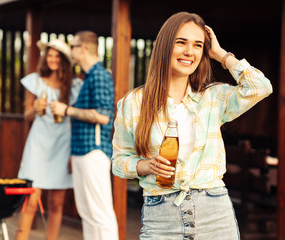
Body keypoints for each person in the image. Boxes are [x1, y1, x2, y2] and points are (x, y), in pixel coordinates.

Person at [112, 12, 273, 240]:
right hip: (161, 217)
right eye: (181, 42)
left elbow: (261, 87)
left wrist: (220, 54)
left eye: (198, 45)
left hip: (215, 214)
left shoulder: (213, 98)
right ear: (165, 46)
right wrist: (147, 166)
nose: (190, 51)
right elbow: (118, 162)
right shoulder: (134, 102)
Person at [50, 31, 119, 240]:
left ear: (83, 48)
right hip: (82, 152)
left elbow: (104, 116)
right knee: (88, 214)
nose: (70, 51)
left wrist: (67, 110)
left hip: (94, 152)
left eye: (72, 46)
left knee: (100, 214)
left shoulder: (100, 75)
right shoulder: (89, 76)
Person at [15, 39, 82, 240]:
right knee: (32, 201)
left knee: (56, 203)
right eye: (50, 55)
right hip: (38, 145)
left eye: (57, 56)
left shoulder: (74, 85)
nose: (52, 59)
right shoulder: (34, 80)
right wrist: (34, 109)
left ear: (64, 61)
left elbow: (77, 117)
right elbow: (26, 115)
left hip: (63, 144)